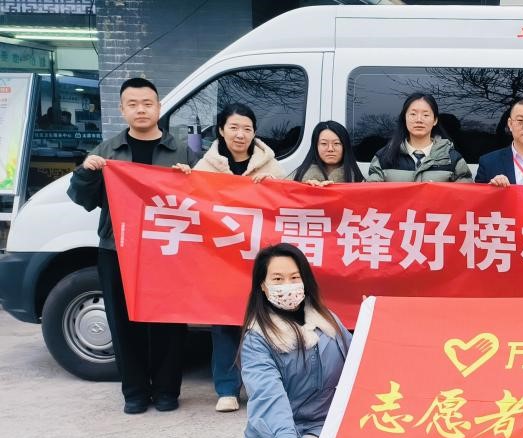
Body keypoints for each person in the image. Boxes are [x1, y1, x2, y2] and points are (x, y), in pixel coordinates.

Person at [67, 77, 196, 415]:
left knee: (169, 321)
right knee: (124, 323)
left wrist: (190, 178)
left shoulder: (181, 151)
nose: (141, 110)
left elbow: (201, 201)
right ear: (122, 110)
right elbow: (82, 199)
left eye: (147, 103)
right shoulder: (107, 151)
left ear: (159, 107)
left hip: (167, 250)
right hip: (117, 249)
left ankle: (167, 391)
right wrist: (86, 172)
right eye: (133, 104)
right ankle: (135, 393)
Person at [236, 243, 351, 438]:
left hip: (324, 429)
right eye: (277, 279)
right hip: (278, 434)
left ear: (305, 280)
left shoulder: (328, 322)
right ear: (262, 286)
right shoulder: (257, 338)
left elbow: (361, 363)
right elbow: (269, 398)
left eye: (294, 277)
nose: (287, 285)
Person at [192, 103, 286, 412]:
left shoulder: (270, 167)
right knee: (224, 322)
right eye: (233, 128)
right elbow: (190, 202)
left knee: (265, 323)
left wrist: (274, 188)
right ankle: (227, 389)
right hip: (221, 258)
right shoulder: (205, 167)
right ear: (221, 130)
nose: (240, 134)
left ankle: (264, 387)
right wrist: (183, 178)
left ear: (254, 132)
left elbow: (289, 204)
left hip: (260, 258)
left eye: (247, 128)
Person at [366, 93, 472, 183]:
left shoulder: (452, 158)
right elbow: (371, 193)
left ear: (435, 120)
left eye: (426, 115)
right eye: (413, 114)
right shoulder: (384, 157)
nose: (419, 120)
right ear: (404, 118)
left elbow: (467, 195)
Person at [289, 120, 364, 185]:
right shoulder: (296, 180)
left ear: (345, 146)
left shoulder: (359, 182)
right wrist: (308, 189)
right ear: (315, 147)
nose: (330, 149)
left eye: (336, 143)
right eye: (324, 143)